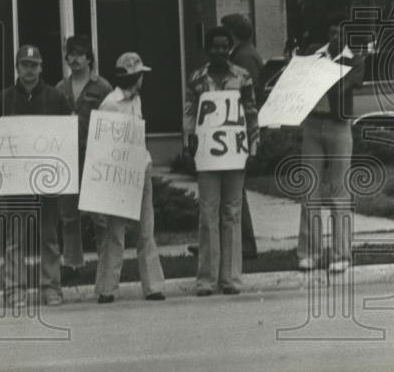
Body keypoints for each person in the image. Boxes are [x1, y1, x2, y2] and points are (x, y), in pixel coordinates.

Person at [0, 45, 74, 308]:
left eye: (34, 65)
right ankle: (14, 290)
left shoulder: (56, 98)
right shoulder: (3, 99)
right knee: (15, 239)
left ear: (41, 67)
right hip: (16, 184)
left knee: (49, 235)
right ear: (17, 67)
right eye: (24, 64)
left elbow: (67, 137)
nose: (29, 70)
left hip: (47, 180)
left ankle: (51, 288)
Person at [184, 26, 259, 297]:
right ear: (208, 49)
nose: (218, 50)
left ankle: (231, 278)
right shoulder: (196, 79)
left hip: (234, 153)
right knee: (208, 214)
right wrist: (187, 143)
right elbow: (190, 113)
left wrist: (253, 144)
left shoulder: (243, 77)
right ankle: (206, 279)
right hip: (206, 154)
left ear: (229, 47)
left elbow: (250, 112)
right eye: (213, 46)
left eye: (223, 46)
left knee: (231, 214)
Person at [93, 53, 166, 303]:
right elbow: (103, 145)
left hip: (140, 167)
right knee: (115, 232)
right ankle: (107, 288)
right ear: (135, 77)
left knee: (146, 229)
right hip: (119, 173)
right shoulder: (110, 104)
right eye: (140, 75)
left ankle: (153, 286)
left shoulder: (137, 101)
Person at [297, 13, 365, 273]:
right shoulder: (314, 53)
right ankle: (309, 253)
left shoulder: (355, 59)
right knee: (309, 189)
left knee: (339, 191)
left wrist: (322, 72)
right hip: (313, 124)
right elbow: (300, 79)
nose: (336, 37)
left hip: (338, 126)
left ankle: (341, 254)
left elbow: (342, 85)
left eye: (341, 33)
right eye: (332, 33)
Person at [54, 35, 112, 283]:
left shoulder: (103, 88)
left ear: (89, 57)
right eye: (71, 54)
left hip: (94, 157)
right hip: (67, 158)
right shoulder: (59, 89)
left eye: (80, 53)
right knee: (68, 214)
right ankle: (73, 263)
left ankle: (106, 262)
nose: (75, 58)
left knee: (99, 215)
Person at [221, 13, 262, 260]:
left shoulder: (243, 57)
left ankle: (245, 242)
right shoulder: (248, 53)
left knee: (236, 188)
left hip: (240, 128)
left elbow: (246, 95)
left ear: (233, 33)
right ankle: (229, 239)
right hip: (238, 127)